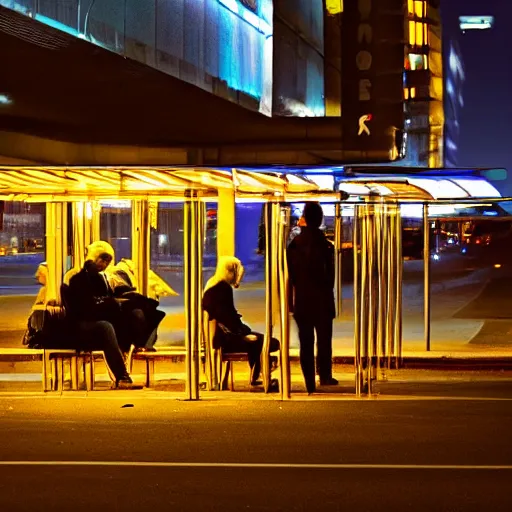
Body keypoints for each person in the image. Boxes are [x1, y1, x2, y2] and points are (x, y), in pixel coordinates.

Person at [202, 256, 279, 389]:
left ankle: (257, 373)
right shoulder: (223, 289)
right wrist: (243, 334)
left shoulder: (212, 285)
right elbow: (228, 318)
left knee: (259, 340)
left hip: (220, 338)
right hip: (228, 338)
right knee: (270, 342)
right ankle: (260, 375)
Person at [287, 202, 337, 394]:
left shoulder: (294, 245)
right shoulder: (325, 245)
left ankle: (309, 382)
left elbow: (291, 275)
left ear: (305, 219)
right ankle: (324, 375)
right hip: (322, 300)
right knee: (324, 340)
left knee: (305, 342)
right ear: (320, 219)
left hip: (302, 300)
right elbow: (330, 276)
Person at [66, 249, 134, 388]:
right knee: (106, 327)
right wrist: (107, 303)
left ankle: (122, 375)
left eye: (106, 262)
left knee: (117, 324)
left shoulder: (98, 278)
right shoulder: (77, 279)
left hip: (90, 321)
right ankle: (122, 376)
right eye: (101, 260)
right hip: (80, 325)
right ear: (93, 258)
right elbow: (83, 308)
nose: (103, 264)